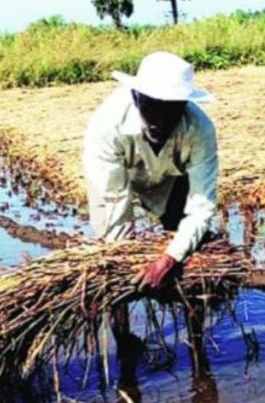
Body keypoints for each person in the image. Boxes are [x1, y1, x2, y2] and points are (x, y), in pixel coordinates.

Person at [83, 51, 219, 291]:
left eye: (170, 110)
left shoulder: (200, 130)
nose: (159, 120)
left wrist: (169, 259)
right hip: (114, 176)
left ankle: (193, 309)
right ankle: (120, 320)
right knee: (113, 254)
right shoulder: (107, 127)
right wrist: (123, 257)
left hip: (171, 174)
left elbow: (201, 206)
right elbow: (115, 202)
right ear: (135, 98)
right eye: (151, 107)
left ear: (185, 105)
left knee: (188, 247)